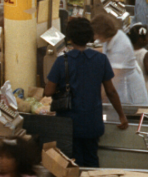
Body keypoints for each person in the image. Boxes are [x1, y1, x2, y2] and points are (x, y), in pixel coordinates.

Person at [44, 17, 129, 167]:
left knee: (72, 164)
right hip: (92, 123)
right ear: (89, 36)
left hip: (69, 124)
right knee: (91, 160)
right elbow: (111, 92)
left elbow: (49, 91)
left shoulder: (61, 61)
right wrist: (121, 116)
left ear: (69, 38)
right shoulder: (101, 59)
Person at [92, 13, 148, 106]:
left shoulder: (120, 48)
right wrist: (87, 52)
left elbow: (110, 81)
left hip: (132, 99)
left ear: (102, 33)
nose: (94, 37)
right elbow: (105, 51)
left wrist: (95, 102)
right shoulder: (114, 37)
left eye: (95, 34)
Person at [128, 25, 148, 104]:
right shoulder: (144, 53)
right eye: (147, 37)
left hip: (131, 87)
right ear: (141, 39)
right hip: (144, 86)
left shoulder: (128, 52)